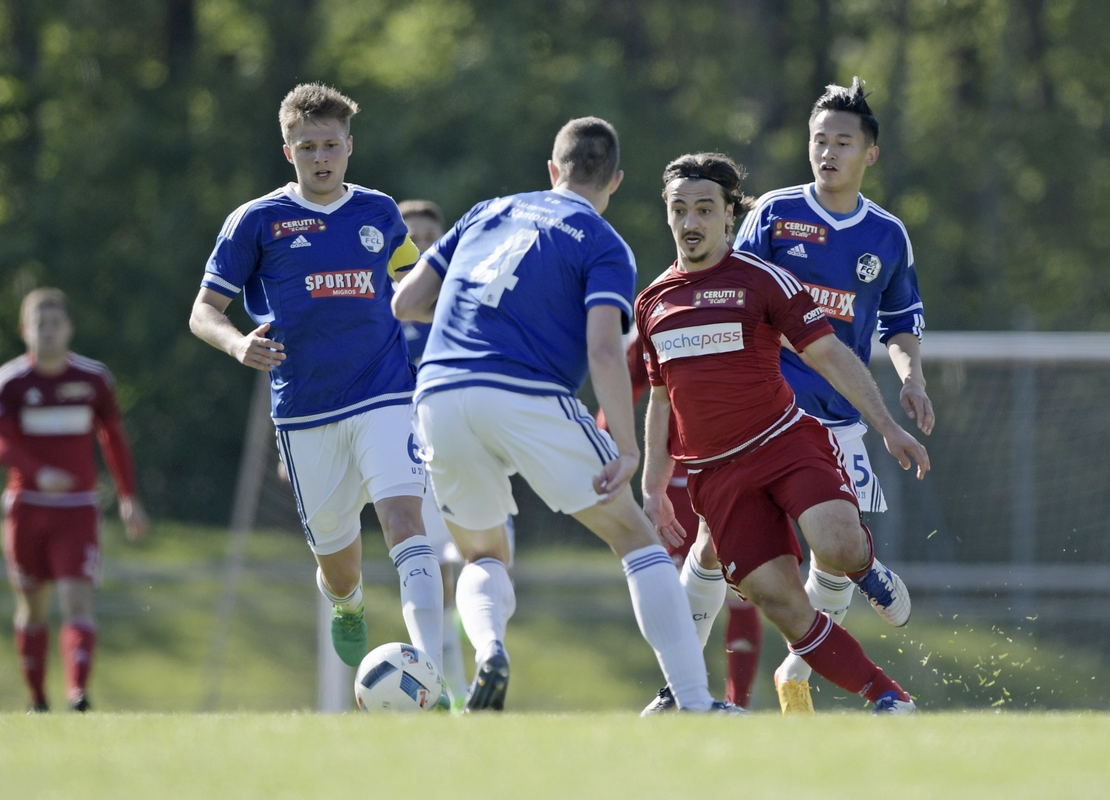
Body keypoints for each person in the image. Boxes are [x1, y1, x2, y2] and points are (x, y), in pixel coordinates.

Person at [393, 117, 730, 714]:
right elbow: (605, 350)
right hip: (526, 394)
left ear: (553, 170)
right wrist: (627, 449)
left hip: (439, 393)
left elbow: (407, 302)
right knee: (637, 539)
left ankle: (491, 652)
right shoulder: (604, 244)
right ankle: (697, 704)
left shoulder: (486, 212)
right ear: (616, 180)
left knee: (483, 554)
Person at [636, 152, 930, 715]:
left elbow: (830, 356)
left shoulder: (762, 280)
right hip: (716, 477)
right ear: (668, 216)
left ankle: (865, 567)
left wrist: (888, 425)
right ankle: (887, 696)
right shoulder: (653, 302)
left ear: (729, 217)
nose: (690, 221)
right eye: (679, 209)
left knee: (839, 548)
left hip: (786, 446)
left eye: (704, 208)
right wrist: (653, 484)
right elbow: (658, 398)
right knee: (783, 603)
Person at [189, 82, 444, 676]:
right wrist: (235, 344)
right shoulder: (257, 221)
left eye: (331, 145)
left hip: (384, 392)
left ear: (350, 146)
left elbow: (416, 290)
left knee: (406, 521)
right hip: (305, 409)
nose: (321, 158)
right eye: (308, 147)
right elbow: (204, 310)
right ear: (288, 151)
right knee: (340, 564)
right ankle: (348, 604)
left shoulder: (377, 211)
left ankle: (426, 666)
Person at [733, 77, 934, 714]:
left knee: (835, 547)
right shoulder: (774, 213)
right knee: (721, 548)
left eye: (842, 142)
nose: (828, 152)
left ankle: (797, 668)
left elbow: (901, 324)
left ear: (869, 153)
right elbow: (738, 293)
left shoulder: (887, 236)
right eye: (819, 140)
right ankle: (679, 689)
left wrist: (912, 378)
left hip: (843, 413)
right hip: (770, 402)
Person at [0, 288, 149, 712]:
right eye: (40, 324)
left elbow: (113, 437)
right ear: (25, 331)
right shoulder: (8, 383)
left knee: (77, 599)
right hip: (27, 507)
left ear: (69, 329)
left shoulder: (93, 380)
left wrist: (128, 496)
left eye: (56, 324)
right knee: (33, 605)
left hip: (77, 510)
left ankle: (78, 694)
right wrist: (39, 473)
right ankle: (37, 700)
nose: (49, 332)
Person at [596, 335, 763, 711]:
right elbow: (626, 381)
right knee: (681, 589)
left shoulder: (746, 299)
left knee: (741, 586)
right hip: (673, 478)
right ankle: (682, 695)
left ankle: (738, 704)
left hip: (732, 465)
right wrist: (606, 442)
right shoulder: (658, 314)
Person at [396, 198, 471, 709]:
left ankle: (462, 679)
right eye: (411, 236)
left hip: (460, 449)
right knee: (432, 570)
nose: (421, 245)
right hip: (405, 454)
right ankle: (447, 689)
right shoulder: (384, 307)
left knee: (479, 567)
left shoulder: (460, 306)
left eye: (430, 236)